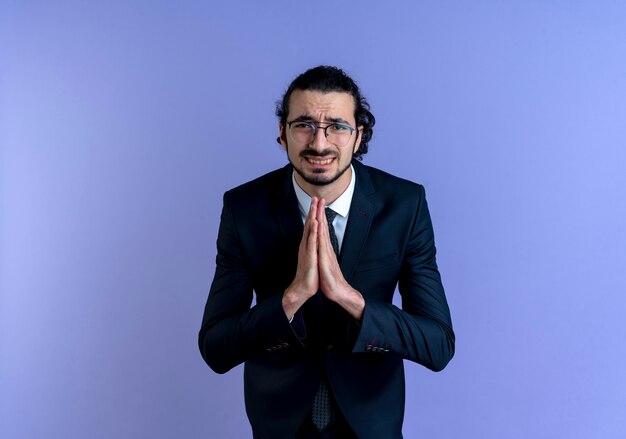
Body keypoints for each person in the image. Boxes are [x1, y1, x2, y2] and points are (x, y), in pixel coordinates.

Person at [199, 65, 454, 439]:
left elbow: (437, 344)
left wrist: (351, 299)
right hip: (280, 424)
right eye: (303, 124)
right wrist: (291, 298)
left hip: (371, 423)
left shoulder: (404, 205)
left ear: (359, 135)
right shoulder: (244, 208)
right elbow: (216, 347)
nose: (319, 143)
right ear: (282, 134)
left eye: (337, 126)